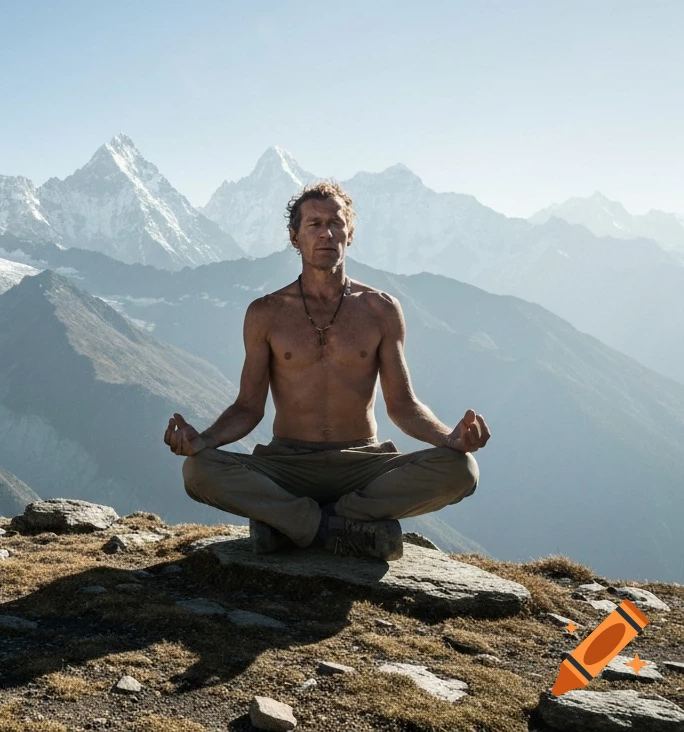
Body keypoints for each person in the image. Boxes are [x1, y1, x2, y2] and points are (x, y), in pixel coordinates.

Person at [164, 181, 488, 560]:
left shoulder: (380, 309)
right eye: (314, 224)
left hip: (363, 463)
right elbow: (248, 407)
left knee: (462, 470)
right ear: (294, 237)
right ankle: (339, 528)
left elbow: (402, 405)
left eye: (335, 223)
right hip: (287, 464)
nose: (326, 233)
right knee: (198, 471)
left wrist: (448, 438)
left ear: (350, 234)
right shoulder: (266, 313)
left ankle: (294, 525)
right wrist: (202, 441)